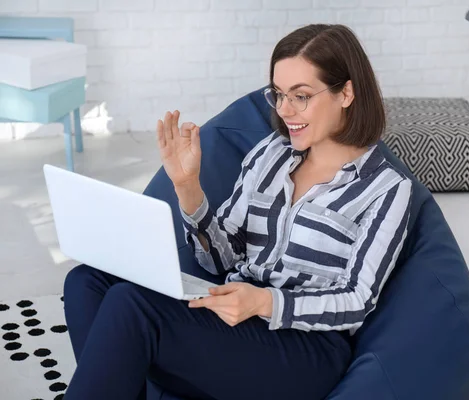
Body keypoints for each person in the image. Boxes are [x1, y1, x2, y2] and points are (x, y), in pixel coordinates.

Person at [62, 24, 412, 400]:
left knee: (131, 307)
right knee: (85, 282)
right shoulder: (270, 155)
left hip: (306, 347)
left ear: (346, 92)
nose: (285, 110)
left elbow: (358, 301)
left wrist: (264, 301)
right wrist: (188, 187)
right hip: (235, 309)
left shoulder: (386, 188)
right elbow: (220, 259)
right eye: (278, 94)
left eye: (301, 96)